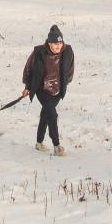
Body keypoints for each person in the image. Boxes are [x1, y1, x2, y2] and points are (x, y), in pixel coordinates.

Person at [21, 24, 74, 155]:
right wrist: (28, 87)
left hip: (57, 90)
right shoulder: (39, 52)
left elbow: (70, 70)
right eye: (55, 43)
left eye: (60, 43)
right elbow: (28, 69)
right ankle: (57, 146)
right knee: (52, 115)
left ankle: (39, 143)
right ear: (49, 43)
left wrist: (64, 82)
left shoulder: (68, 51)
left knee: (46, 114)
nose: (58, 46)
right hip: (41, 89)